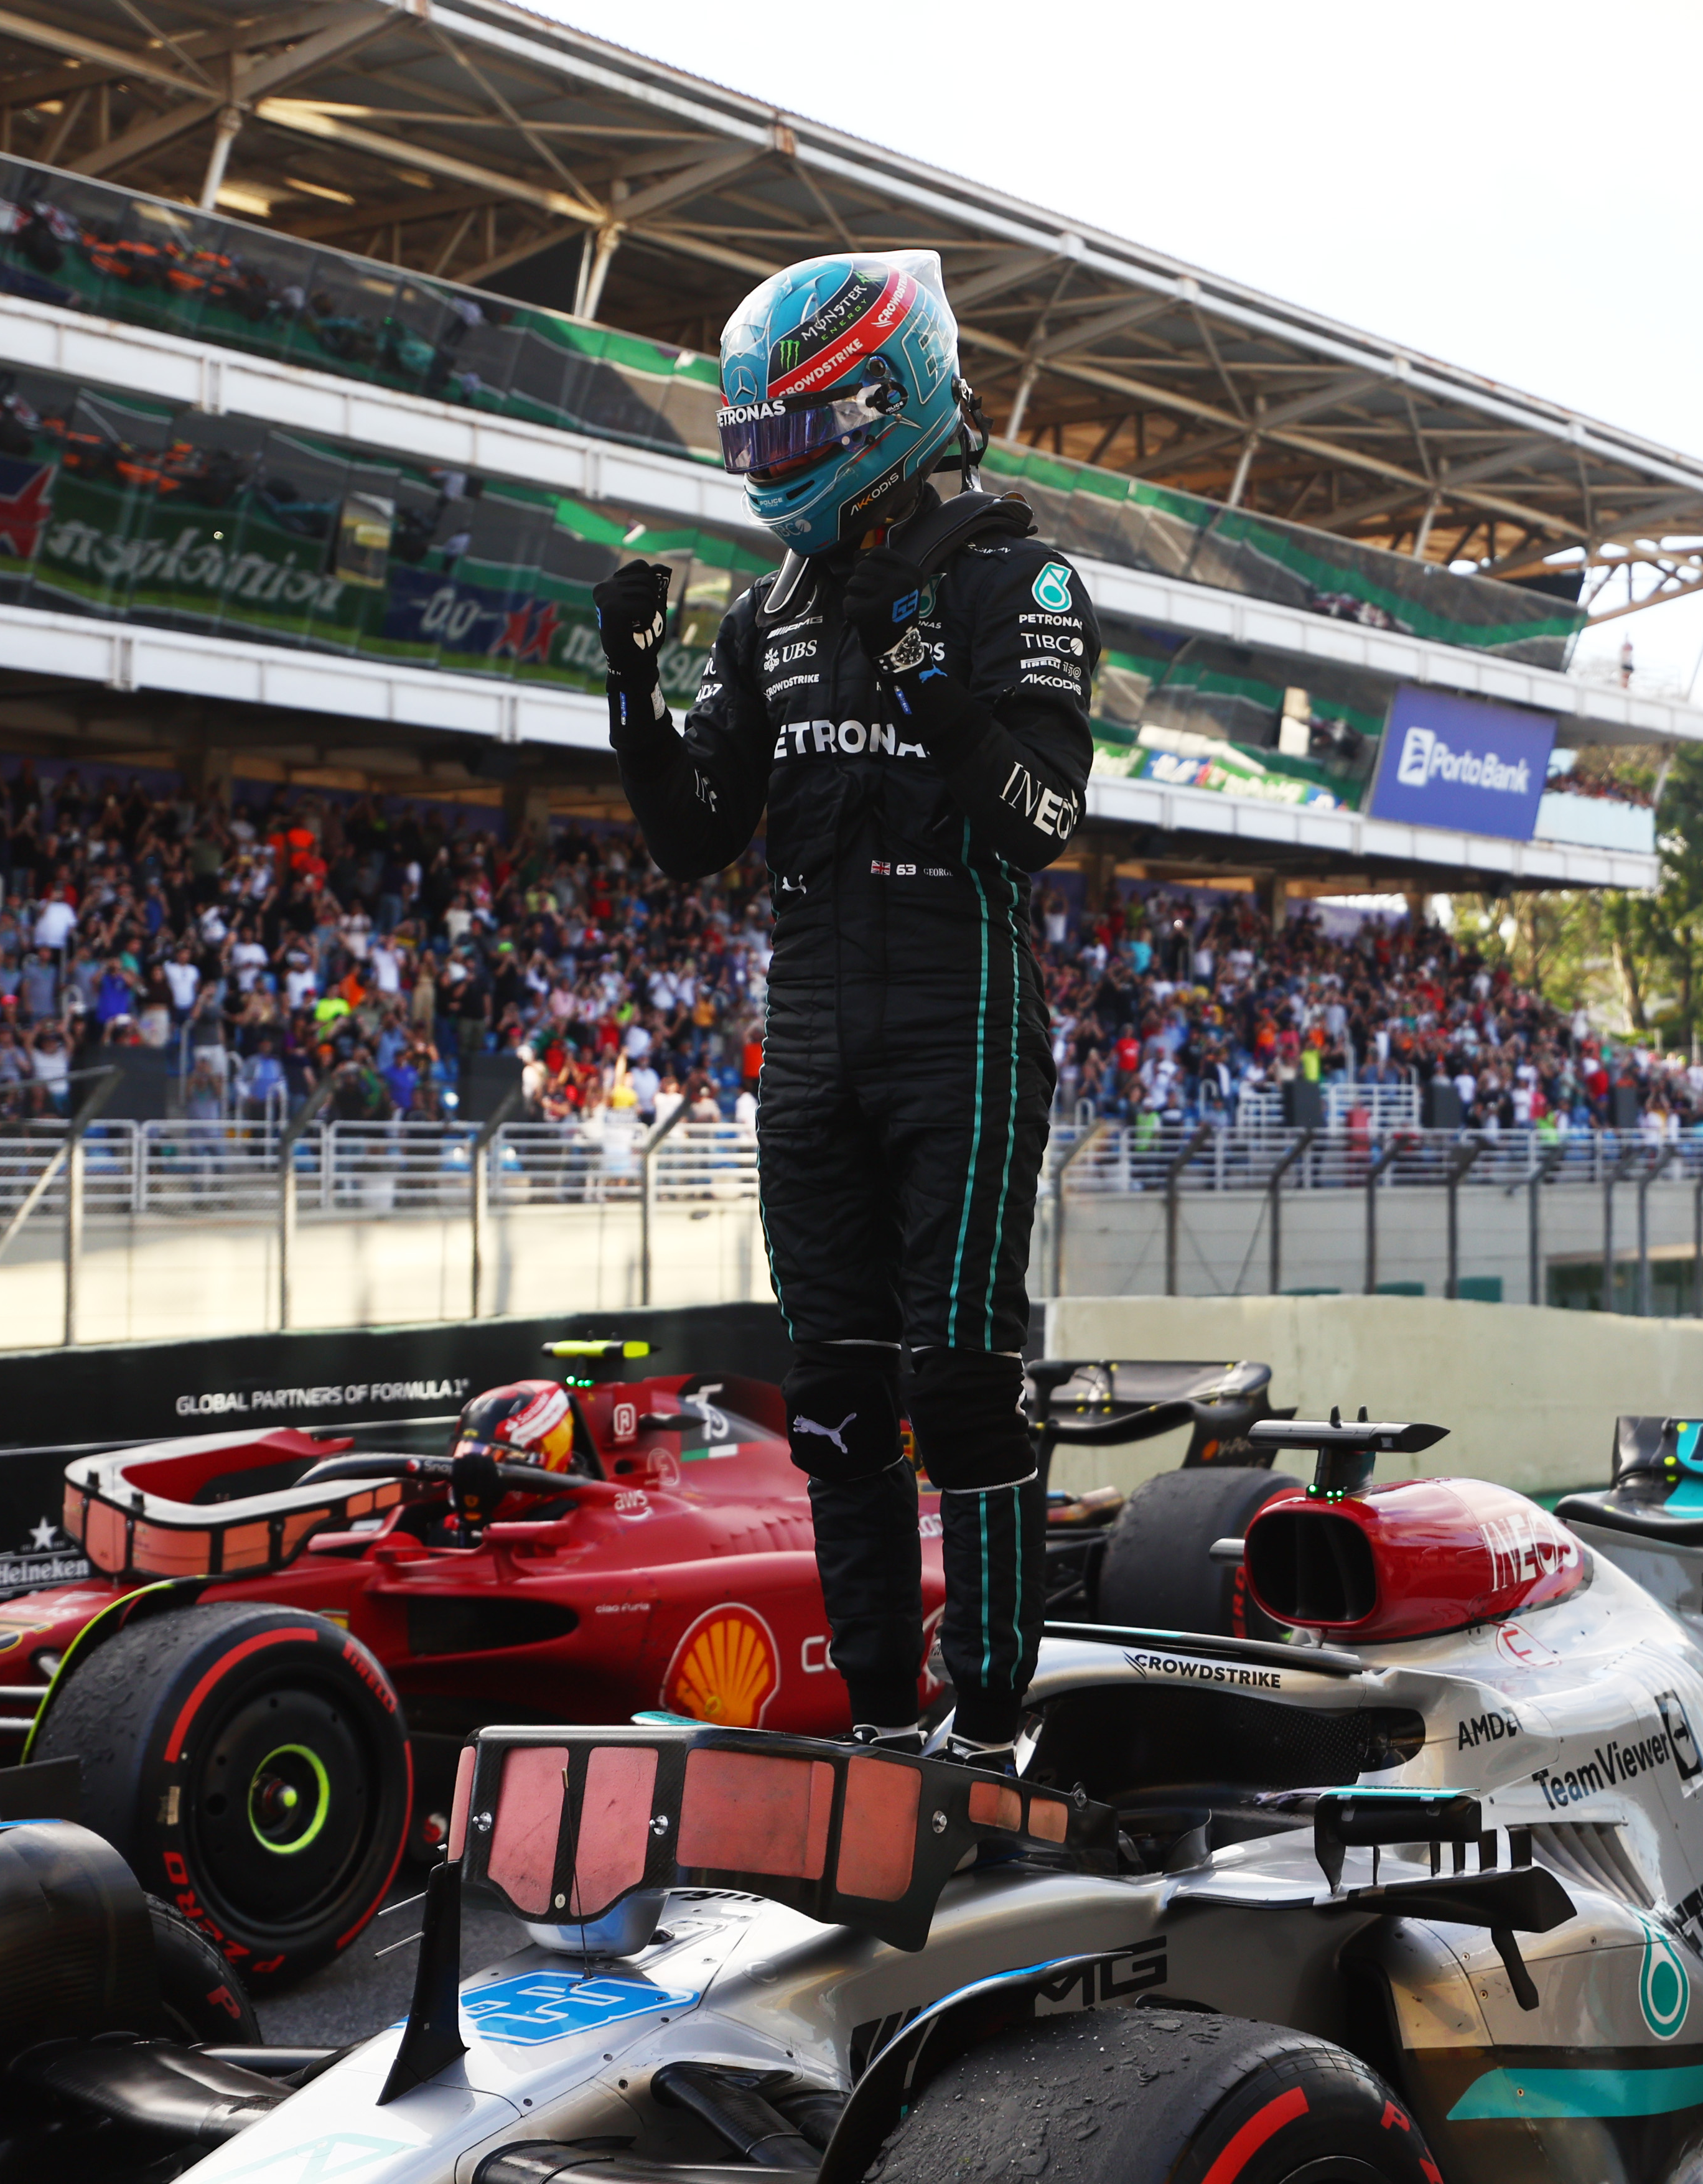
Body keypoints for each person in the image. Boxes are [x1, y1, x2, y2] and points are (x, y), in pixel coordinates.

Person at [594, 248, 1093, 1763]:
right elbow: (695, 837)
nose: (776, 469)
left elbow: (1044, 821)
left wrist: (930, 673)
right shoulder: (769, 610)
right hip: (807, 1013)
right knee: (831, 1400)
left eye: (797, 432)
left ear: (892, 400)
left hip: (963, 1010)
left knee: (960, 1378)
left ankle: (992, 1719)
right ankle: (881, 1719)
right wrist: (632, 691)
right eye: (758, 442)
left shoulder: (1025, 579)